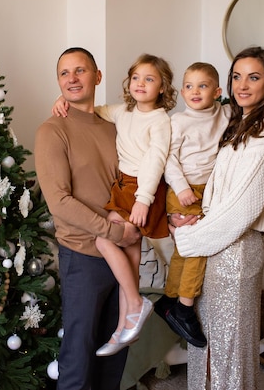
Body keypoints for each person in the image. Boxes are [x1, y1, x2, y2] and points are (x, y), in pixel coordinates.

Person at [170, 47, 264, 390]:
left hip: (235, 252)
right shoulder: (238, 123)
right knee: (206, 343)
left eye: (254, 77)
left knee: (230, 351)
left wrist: (189, 237)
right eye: (237, 76)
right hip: (214, 245)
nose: (243, 85)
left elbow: (241, 209)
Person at [53, 53, 177, 356]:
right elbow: (95, 110)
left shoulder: (160, 120)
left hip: (140, 190)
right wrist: (62, 99)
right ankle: (126, 327)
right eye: (136, 78)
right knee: (131, 256)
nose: (140, 84)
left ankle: (135, 302)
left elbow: (156, 161)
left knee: (106, 239)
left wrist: (143, 200)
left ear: (162, 87)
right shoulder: (123, 111)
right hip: (124, 186)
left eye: (149, 79)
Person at [35, 47, 141, 390]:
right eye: (64, 73)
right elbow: (60, 202)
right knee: (79, 355)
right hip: (83, 254)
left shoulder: (115, 125)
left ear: (97, 77)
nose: (72, 79)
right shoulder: (52, 130)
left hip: (123, 250)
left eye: (80, 71)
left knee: (116, 350)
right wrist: (112, 232)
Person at [155, 62, 231, 348]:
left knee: (183, 252)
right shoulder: (179, 121)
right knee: (197, 248)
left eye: (202, 85)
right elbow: (169, 159)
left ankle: (170, 298)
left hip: (206, 191)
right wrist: (182, 188)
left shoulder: (224, 114)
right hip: (182, 189)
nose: (194, 91)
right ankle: (184, 309)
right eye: (189, 86)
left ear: (217, 91)